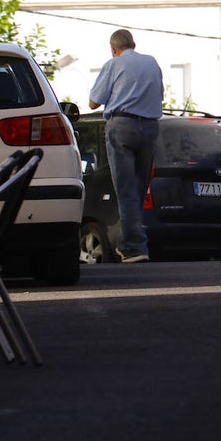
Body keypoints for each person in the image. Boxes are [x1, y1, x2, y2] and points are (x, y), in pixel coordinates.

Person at [88, 29, 164, 264]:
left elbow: (93, 102)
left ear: (113, 49)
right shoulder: (152, 63)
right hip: (150, 128)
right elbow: (159, 94)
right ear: (134, 43)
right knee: (139, 189)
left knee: (126, 189)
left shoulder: (114, 64)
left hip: (121, 127)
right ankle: (130, 242)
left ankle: (133, 247)